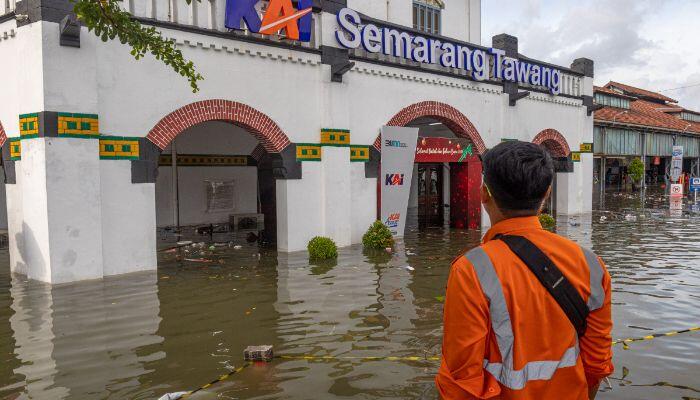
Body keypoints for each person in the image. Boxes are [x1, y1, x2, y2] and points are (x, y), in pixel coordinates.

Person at [436, 141, 613, 399]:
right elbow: (597, 364)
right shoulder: (591, 265)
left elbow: (461, 381)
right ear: (547, 193)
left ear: (484, 194)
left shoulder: (471, 271)